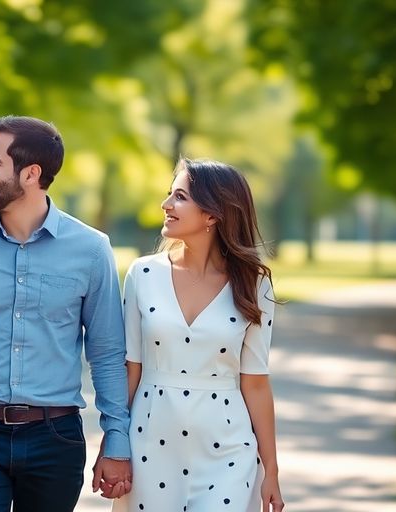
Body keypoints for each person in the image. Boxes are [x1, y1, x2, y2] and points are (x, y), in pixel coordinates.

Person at [0, 115, 132, 511]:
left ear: (32, 173)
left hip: (56, 437)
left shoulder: (90, 249)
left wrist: (117, 439)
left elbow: (105, 353)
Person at [113, 158, 285, 511]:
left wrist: (272, 470)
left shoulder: (255, 286)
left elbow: (255, 383)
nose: (166, 205)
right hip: (150, 447)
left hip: (229, 452)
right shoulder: (142, 274)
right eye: (169, 195)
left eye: (180, 197)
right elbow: (130, 369)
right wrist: (114, 445)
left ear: (212, 215)